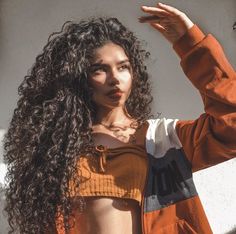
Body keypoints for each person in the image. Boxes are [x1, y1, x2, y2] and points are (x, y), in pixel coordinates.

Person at [3, 2, 236, 234]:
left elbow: (232, 123)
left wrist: (191, 44)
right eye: (99, 69)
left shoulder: (164, 140)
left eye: (123, 67)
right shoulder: (58, 148)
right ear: (79, 78)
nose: (114, 78)